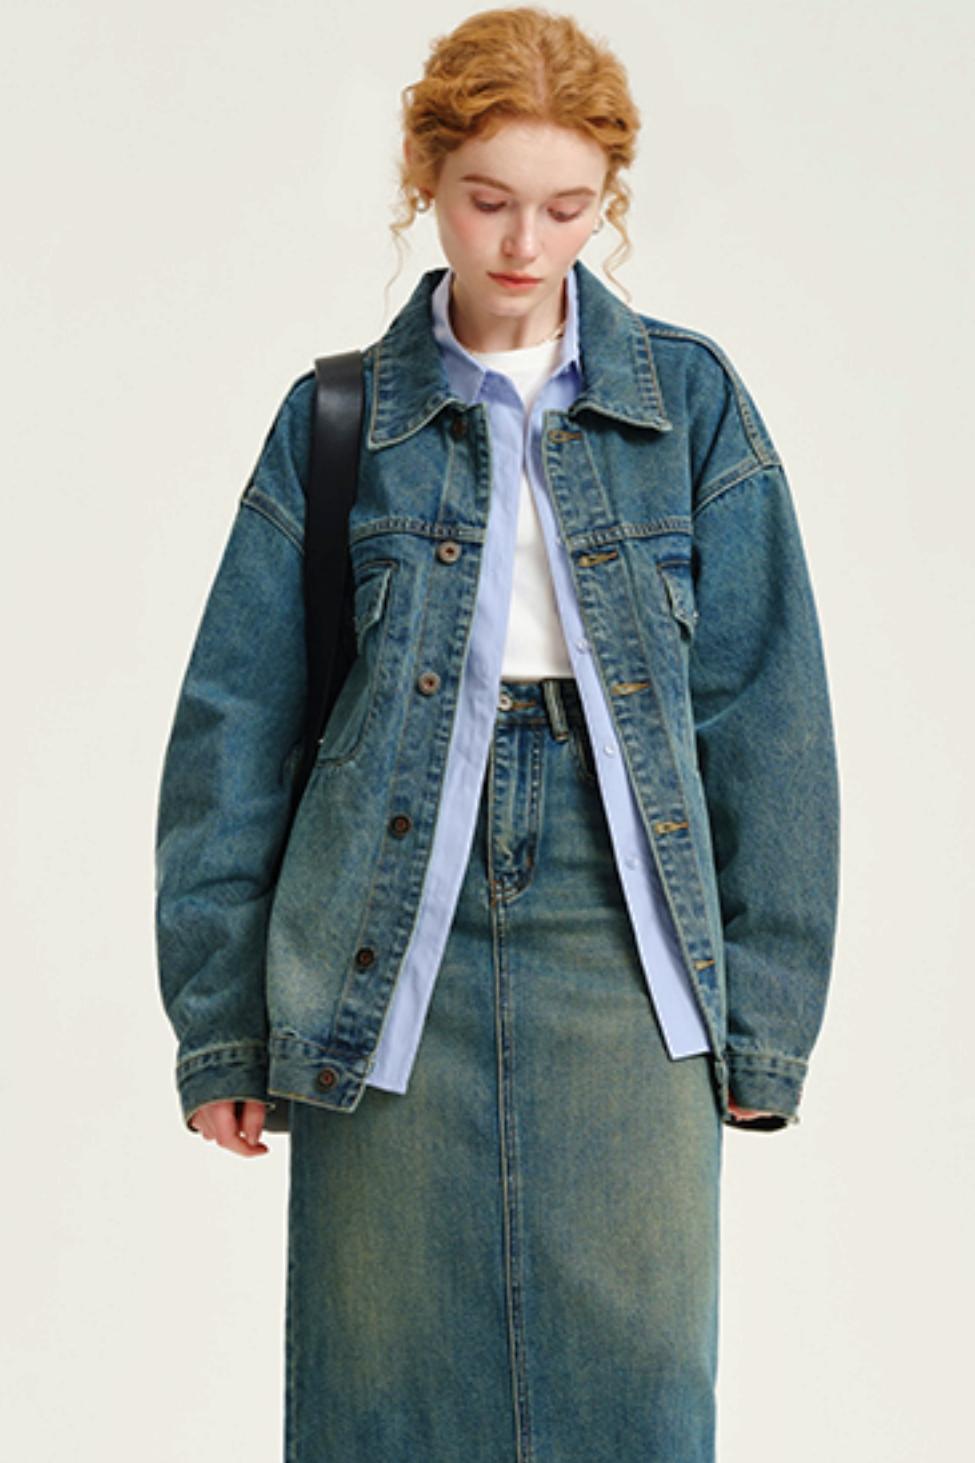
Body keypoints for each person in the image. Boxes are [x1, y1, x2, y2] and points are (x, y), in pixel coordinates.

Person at [155, 7, 840, 1460]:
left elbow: (767, 713)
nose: (527, 243)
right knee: (383, 1391)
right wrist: (220, 1025)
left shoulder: (692, 407)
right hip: (380, 934)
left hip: (627, 929)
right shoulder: (338, 420)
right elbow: (233, 725)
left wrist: (766, 1027)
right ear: (426, 179)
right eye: (488, 201)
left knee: (638, 1390)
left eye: (567, 208)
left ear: (608, 200)